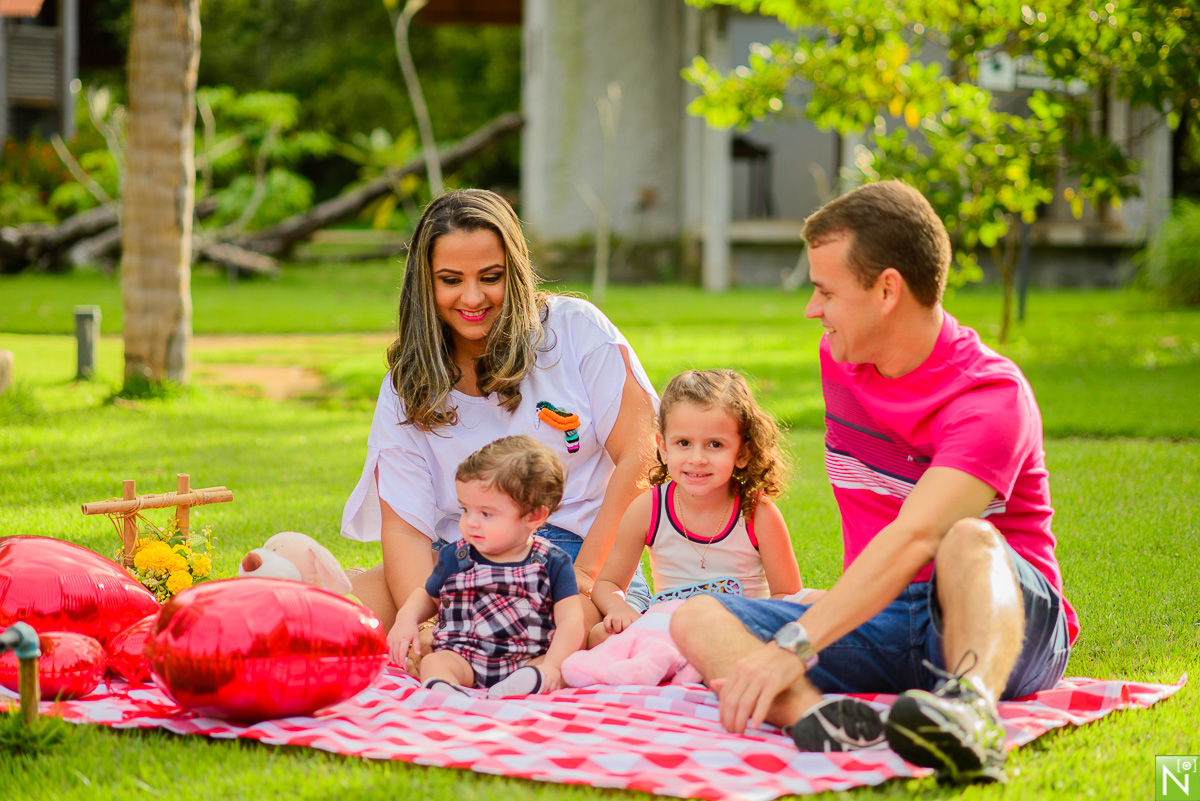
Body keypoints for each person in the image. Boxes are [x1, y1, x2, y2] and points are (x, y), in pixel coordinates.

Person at [670, 181, 1077, 785]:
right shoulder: (841, 359)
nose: (813, 309)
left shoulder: (990, 397)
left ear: (887, 289)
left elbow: (918, 537)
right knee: (695, 619)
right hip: (891, 620)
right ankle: (819, 718)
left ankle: (972, 713)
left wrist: (795, 645)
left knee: (965, 537)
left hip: (1004, 622)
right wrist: (827, 613)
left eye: (825, 291)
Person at [341, 189, 657, 665]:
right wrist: (431, 620)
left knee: (562, 644)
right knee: (326, 611)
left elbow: (640, 457)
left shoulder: (575, 330)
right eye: (451, 280)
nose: (472, 298)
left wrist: (590, 575)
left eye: (491, 277)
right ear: (425, 285)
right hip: (458, 564)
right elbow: (406, 529)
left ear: (515, 270)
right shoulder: (406, 384)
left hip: (575, 560)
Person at [587, 369, 809, 647]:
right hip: (670, 635)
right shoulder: (648, 509)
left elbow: (787, 598)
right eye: (683, 443)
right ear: (663, 448)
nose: (697, 458)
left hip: (740, 634)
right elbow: (608, 584)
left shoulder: (757, 514)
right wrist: (620, 609)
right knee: (600, 635)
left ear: (741, 453)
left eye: (715, 445)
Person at [389, 436, 584, 696]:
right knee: (435, 661)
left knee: (558, 670)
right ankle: (444, 691)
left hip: (526, 657)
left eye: (486, 513)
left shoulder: (552, 562)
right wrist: (406, 618)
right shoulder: (456, 556)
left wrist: (551, 664)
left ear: (534, 516)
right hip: (463, 655)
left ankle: (523, 684)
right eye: (465, 510)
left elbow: (571, 620)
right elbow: (427, 594)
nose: (470, 522)